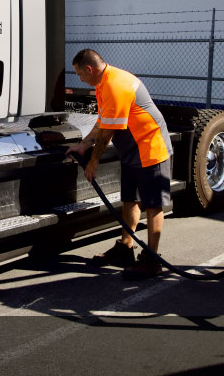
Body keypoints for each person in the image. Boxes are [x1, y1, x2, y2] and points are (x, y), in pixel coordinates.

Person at [66, 49, 173, 280]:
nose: (80, 79)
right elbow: (102, 122)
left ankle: (152, 261)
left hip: (150, 147)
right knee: (130, 200)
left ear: (89, 69)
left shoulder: (115, 84)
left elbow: (107, 133)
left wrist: (93, 162)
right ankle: (126, 248)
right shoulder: (102, 84)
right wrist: (83, 145)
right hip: (132, 150)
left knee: (153, 205)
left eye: (80, 74)